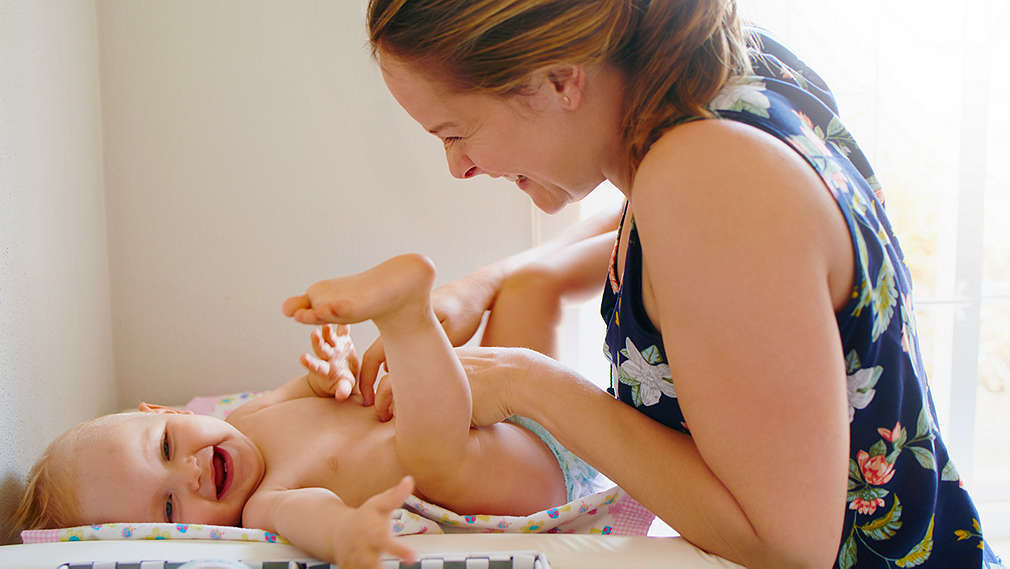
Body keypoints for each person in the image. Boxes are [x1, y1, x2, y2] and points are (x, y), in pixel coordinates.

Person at [356, 1, 1006, 568]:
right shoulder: (713, 83)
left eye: (455, 133)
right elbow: (675, 235)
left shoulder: (707, 179)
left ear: (558, 79)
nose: (459, 167)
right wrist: (495, 280)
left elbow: (787, 548)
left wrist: (526, 382)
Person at [12, 253, 593, 569]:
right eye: (169, 506)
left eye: (165, 446)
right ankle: (405, 316)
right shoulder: (264, 506)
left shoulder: (247, 417)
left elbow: (326, 392)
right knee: (428, 457)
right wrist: (346, 535)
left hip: (510, 410)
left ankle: (619, 233)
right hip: (515, 478)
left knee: (529, 287)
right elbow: (314, 517)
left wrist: (334, 369)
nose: (189, 472)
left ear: (167, 411)